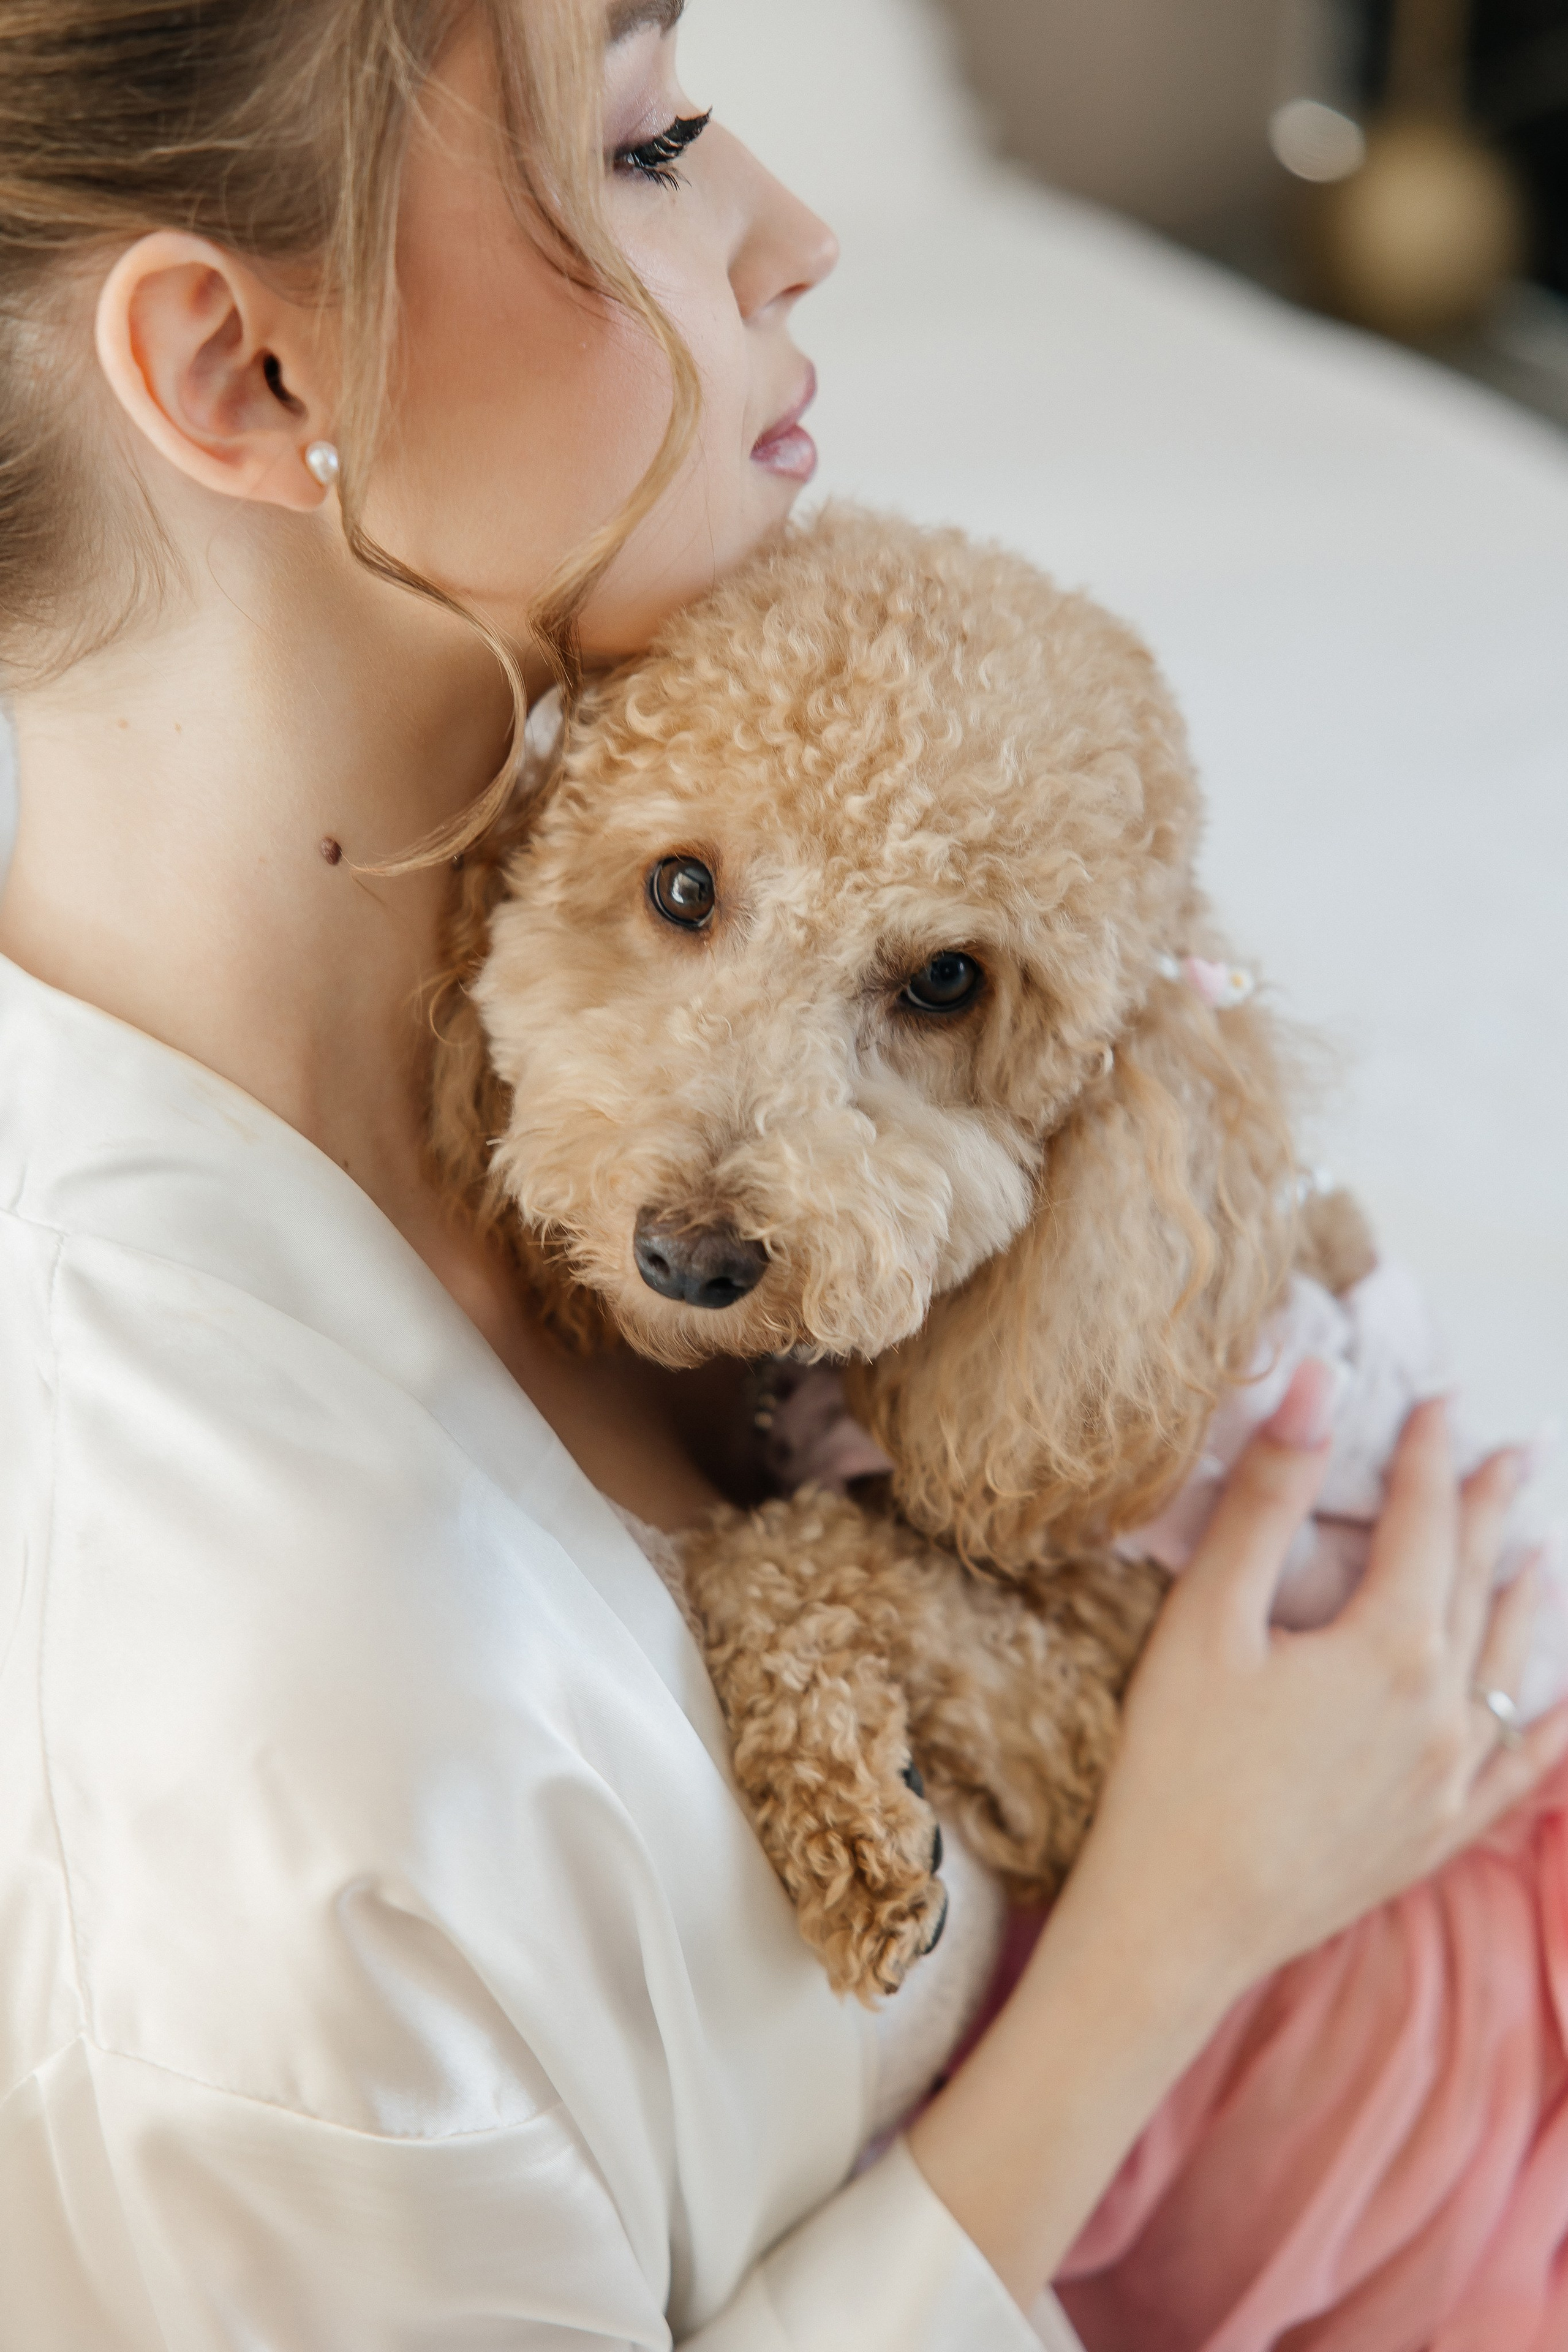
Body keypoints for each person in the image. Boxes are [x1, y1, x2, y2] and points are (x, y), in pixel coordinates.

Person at [0, 2, 1559, 2344]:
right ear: (243, 369)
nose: (799, 237)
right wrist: (1180, 1928)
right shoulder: (291, 1748)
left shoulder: (601, 948)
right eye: (651, 139)